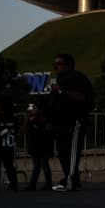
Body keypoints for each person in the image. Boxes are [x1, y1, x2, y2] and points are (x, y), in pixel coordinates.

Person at [48, 53, 94, 192]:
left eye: (59, 64)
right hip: (60, 123)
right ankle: (72, 178)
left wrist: (61, 91)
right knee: (62, 151)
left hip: (74, 121)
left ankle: (70, 181)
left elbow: (83, 97)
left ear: (69, 65)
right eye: (55, 64)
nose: (56, 67)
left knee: (72, 151)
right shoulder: (60, 79)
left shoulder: (77, 78)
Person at [24, 100, 54, 190]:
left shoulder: (45, 118)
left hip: (43, 145)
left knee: (43, 164)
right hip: (36, 145)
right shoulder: (32, 118)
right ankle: (34, 184)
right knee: (38, 165)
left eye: (34, 107)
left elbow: (48, 130)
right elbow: (27, 130)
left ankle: (46, 184)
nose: (32, 109)